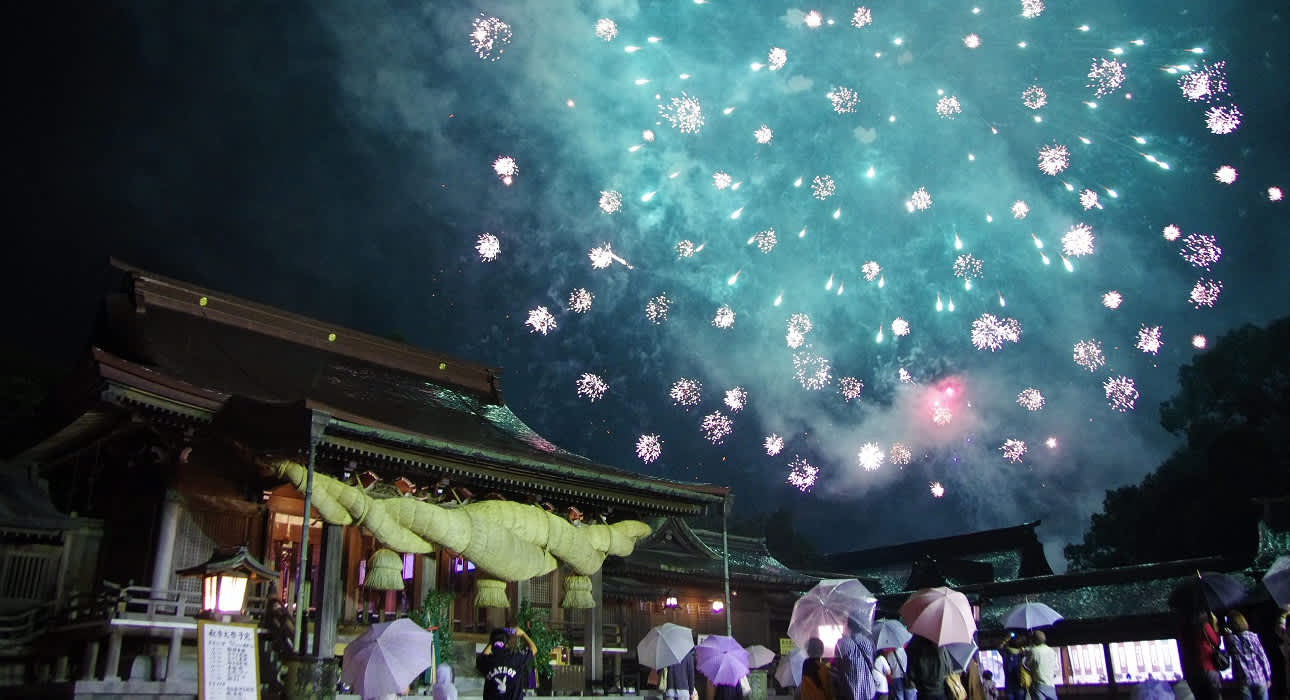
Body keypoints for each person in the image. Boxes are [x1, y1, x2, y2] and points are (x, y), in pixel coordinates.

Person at [1222, 611, 1272, 700]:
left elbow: (1228, 656)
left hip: (1243, 681)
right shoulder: (1253, 636)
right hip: (1259, 677)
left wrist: (1227, 633)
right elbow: (1262, 657)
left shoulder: (1230, 640)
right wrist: (1268, 676)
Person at [477, 627, 537, 700]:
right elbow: (534, 649)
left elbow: (483, 656)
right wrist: (523, 634)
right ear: (507, 644)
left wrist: (493, 640)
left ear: (492, 644)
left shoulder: (487, 660)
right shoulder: (515, 658)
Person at [1179, 612, 1223, 700]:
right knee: (1215, 695)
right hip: (1208, 667)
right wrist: (1216, 627)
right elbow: (1216, 641)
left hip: (1194, 670)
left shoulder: (1185, 629)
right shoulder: (1204, 625)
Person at [834, 616, 878, 700]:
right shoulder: (866, 641)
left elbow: (838, 667)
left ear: (847, 625)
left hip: (853, 692)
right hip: (870, 690)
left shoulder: (842, 643)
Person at [906, 634, 952, 700]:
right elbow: (948, 669)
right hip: (940, 691)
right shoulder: (940, 644)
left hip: (923, 692)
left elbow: (910, 672)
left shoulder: (914, 644)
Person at [1026, 631, 1059, 700]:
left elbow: (1027, 664)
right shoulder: (1051, 650)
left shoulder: (1034, 651)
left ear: (1034, 640)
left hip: (1039, 685)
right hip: (1051, 684)